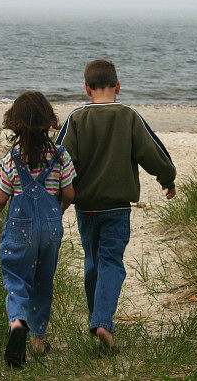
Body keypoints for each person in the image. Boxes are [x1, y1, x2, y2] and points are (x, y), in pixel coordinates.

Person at [56, 60, 176, 352]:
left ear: (87, 89)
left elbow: (58, 158)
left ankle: (96, 320)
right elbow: (153, 151)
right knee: (111, 262)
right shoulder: (128, 116)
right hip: (117, 208)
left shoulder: (76, 118)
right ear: (118, 86)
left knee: (93, 262)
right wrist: (167, 178)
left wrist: (54, 196)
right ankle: (102, 321)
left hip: (85, 207)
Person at [0, 91, 76, 367]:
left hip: (19, 229)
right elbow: (70, 193)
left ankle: (16, 322)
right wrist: (57, 212)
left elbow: (1, 199)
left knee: (15, 276)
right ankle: (36, 340)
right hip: (50, 230)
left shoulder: (12, 159)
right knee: (43, 280)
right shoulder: (60, 156)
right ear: (48, 121)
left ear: (15, 125)